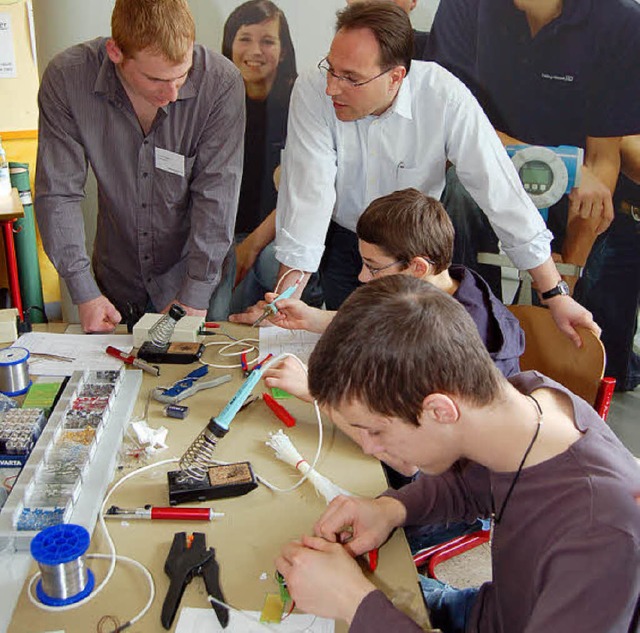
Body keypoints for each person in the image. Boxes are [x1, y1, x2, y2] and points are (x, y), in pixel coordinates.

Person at [276, 275, 640, 633]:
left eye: (376, 430)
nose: (370, 447)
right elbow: (472, 486)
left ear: (440, 410)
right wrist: (390, 508)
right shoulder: (521, 405)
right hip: (485, 612)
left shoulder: (601, 536)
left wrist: (352, 601)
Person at [232, 1, 598, 350]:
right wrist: (283, 307)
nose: (332, 87)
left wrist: (554, 294)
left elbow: (501, 193)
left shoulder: (443, 96)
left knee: (412, 354)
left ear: (396, 77)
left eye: (351, 78)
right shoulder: (314, 90)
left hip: (414, 255)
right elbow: (309, 196)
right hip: (347, 242)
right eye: (331, 68)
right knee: (352, 350)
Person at [426, 0, 640, 388]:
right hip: (483, 165)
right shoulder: (465, 8)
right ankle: (464, 339)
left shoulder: (620, 20)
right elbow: (451, 120)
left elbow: (602, 158)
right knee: (457, 189)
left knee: (582, 345)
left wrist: (565, 280)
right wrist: (556, 163)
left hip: (577, 181)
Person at [35, 0, 245, 333]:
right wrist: (83, 290)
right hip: (118, 275)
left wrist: (193, 296)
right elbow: (58, 192)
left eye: (182, 75)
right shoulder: (67, 79)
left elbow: (217, 196)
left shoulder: (220, 83)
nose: (173, 94)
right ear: (115, 52)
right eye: (157, 79)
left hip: (196, 271)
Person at [263, 188, 524, 403]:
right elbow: (388, 323)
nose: (363, 277)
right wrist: (315, 319)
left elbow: (406, 419)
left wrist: (315, 391)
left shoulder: (459, 336)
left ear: (417, 267)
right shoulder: (442, 285)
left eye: (373, 267)